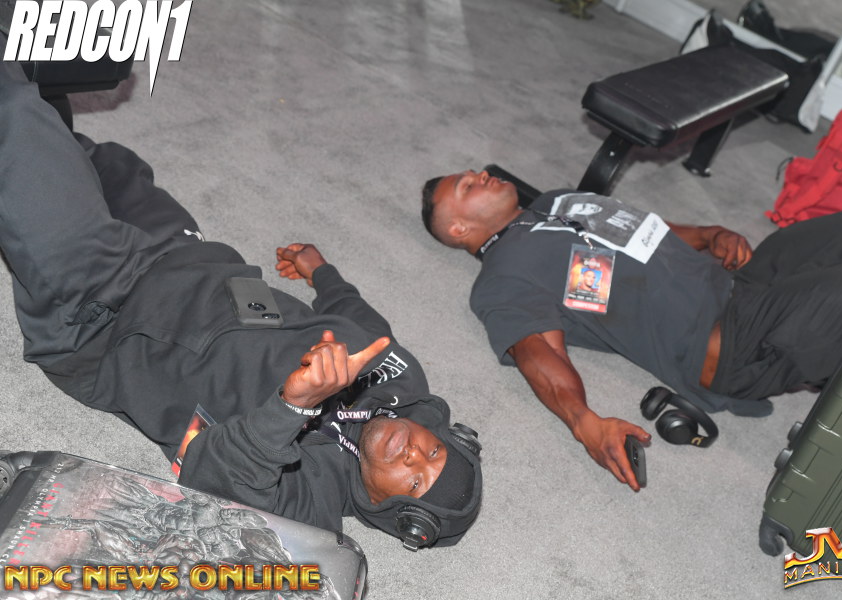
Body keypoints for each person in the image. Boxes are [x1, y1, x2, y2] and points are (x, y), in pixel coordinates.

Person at [0, 45, 481, 550]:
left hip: (107, 318)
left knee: (17, 120)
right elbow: (359, 319)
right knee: (101, 158)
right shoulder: (402, 379)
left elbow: (214, 475)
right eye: (434, 453)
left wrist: (294, 406)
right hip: (186, 255)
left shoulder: (312, 504)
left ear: (389, 510)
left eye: (414, 481)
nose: (413, 455)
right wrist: (323, 274)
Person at [421, 169, 842, 491]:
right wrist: (585, 423)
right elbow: (538, 354)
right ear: (459, 229)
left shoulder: (557, 201)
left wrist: (709, 234)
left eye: (473, 173)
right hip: (732, 341)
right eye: (467, 186)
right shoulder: (502, 279)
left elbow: (642, 229)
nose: (480, 174)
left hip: (743, 283)